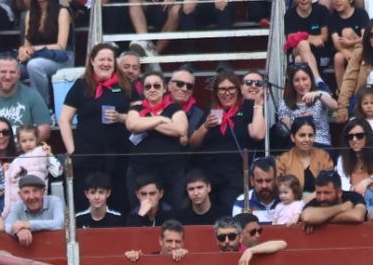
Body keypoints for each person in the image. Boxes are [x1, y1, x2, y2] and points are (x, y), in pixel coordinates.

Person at [60, 43, 133, 214]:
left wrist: (121, 117)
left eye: (109, 60)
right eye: (101, 59)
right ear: (92, 61)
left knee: (118, 202)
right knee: (84, 203)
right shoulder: (81, 85)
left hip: (118, 155)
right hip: (87, 155)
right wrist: (72, 150)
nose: (105, 63)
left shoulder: (125, 85)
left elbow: (139, 116)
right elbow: (64, 119)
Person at [192, 67, 267, 216]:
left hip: (236, 177)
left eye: (231, 88)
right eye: (222, 89)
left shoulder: (247, 108)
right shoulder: (212, 111)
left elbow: (258, 134)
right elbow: (193, 143)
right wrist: (205, 126)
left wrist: (258, 105)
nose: (227, 93)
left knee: (231, 214)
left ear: (238, 90)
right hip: (211, 177)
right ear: (216, 92)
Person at [124, 72, 188, 203]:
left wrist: (147, 122)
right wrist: (160, 119)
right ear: (143, 90)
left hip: (170, 172)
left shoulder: (174, 108)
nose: (152, 89)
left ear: (164, 88)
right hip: (139, 171)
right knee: (139, 212)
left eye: (156, 86)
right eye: (148, 86)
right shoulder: (136, 108)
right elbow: (132, 125)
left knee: (172, 214)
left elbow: (180, 129)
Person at [18, 0, 70, 107]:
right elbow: (27, 44)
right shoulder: (30, 13)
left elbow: (61, 45)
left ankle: (42, 108)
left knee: (34, 66)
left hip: (61, 57)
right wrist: (22, 51)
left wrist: (35, 49)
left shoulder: (62, 11)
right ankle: (21, 107)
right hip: (37, 56)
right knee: (13, 68)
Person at [276, 65, 336, 151]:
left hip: (320, 143)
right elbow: (287, 128)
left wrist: (318, 95)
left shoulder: (320, 95)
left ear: (311, 79)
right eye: (297, 80)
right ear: (292, 83)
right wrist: (300, 121)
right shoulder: (285, 103)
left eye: (304, 79)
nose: (301, 84)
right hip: (297, 144)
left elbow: (336, 107)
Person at [337, 117, 373, 203]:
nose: (354, 139)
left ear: (368, 136)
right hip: (353, 199)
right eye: (350, 137)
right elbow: (343, 182)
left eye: (359, 136)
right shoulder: (343, 158)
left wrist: (366, 183)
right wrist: (362, 188)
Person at [2, 171, 63, 245]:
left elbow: (59, 223)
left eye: (35, 191)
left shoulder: (54, 201)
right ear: (20, 195)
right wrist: (19, 230)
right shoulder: (17, 206)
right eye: (26, 192)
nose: (31, 197)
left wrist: (29, 225)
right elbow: (6, 225)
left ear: (43, 191)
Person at [275, 117, 330, 194]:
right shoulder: (283, 160)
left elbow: (330, 186)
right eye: (302, 135)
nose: (307, 139)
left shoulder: (323, 156)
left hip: (321, 202)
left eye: (310, 135)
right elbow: (280, 190)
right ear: (293, 137)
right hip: (291, 204)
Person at [299, 168, 367, 229]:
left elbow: (357, 216)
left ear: (339, 192)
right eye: (318, 193)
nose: (322, 198)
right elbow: (307, 217)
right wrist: (341, 207)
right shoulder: (315, 201)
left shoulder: (353, 197)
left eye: (326, 193)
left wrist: (318, 219)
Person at [124, 219, 189, 261]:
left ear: (183, 242)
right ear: (161, 241)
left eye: (177, 242)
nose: (173, 246)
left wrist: (188, 258)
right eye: (169, 241)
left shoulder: (188, 259)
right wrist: (131, 259)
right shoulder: (149, 260)